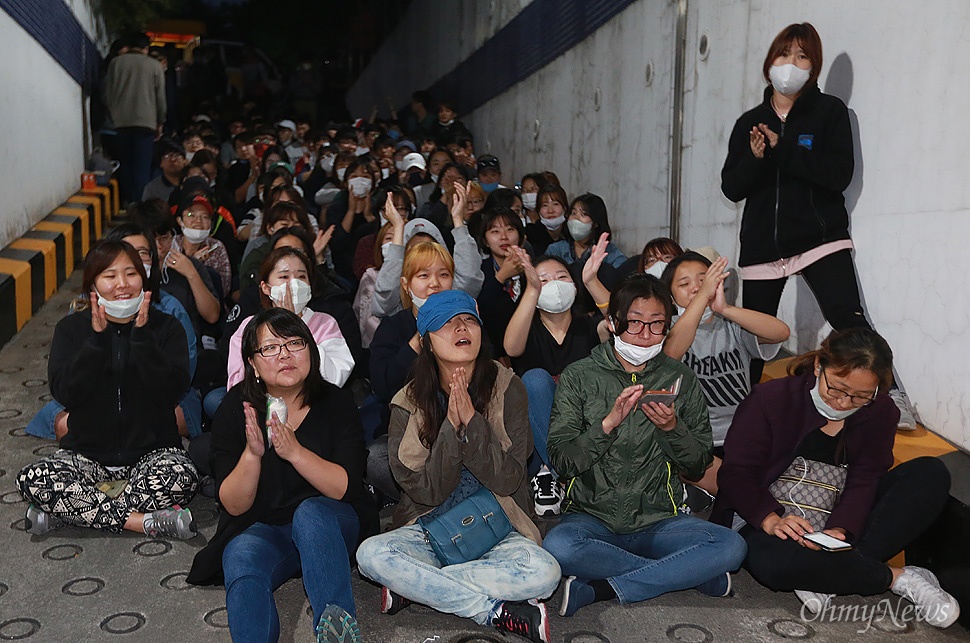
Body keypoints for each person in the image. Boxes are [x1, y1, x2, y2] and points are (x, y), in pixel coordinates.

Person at [719, 22, 919, 429]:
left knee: (850, 318)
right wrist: (756, 157)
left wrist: (784, 148)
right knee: (755, 337)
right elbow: (731, 188)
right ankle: (740, 412)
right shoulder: (749, 122)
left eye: (802, 56)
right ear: (769, 63)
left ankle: (890, 397)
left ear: (814, 68)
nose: (790, 64)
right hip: (763, 246)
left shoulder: (830, 113)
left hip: (820, 239)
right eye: (784, 54)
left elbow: (837, 175)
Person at [711, 328, 959, 628]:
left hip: (837, 511)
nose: (843, 403)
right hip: (769, 514)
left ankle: (829, 572)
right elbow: (737, 473)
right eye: (837, 389)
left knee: (929, 474)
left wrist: (841, 529)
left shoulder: (881, 412)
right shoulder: (771, 398)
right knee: (772, 566)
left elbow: (866, 478)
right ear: (819, 367)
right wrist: (771, 519)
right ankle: (897, 579)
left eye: (861, 396)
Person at [356, 291, 561, 643]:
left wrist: (473, 424)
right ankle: (494, 611)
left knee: (545, 573)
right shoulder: (407, 402)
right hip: (430, 525)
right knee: (370, 555)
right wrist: (452, 431)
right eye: (447, 323)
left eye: (467, 320)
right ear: (428, 343)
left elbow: (511, 477)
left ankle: (419, 585)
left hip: (500, 524)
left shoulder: (508, 387)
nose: (460, 328)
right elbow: (425, 491)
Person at [542, 273, 747, 616]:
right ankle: (687, 574)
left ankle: (605, 587)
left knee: (731, 545)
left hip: (659, 520)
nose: (645, 336)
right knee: (559, 547)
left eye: (657, 325)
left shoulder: (680, 378)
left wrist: (672, 428)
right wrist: (607, 425)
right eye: (634, 324)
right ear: (613, 322)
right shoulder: (580, 376)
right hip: (591, 518)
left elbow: (698, 465)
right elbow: (562, 461)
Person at [186, 308, 369, 641]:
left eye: (295, 343)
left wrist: (295, 453)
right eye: (270, 347)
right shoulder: (235, 409)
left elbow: (344, 487)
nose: (285, 354)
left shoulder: (336, 403)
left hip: (330, 524)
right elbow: (234, 505)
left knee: (310, 513)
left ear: (311, 351)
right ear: (253, 364)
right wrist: (252, 456)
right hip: (268, 529)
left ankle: (337, 633)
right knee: (240, 554)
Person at [16, 240, 199, 539]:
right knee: (33, 478)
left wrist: (141, 341)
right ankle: (143, 522)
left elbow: (171, 393)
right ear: (93, 286)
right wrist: (96, 344)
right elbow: (65, 393)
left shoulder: (166, 328)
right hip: (87, 457)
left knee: (182, 477)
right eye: (110, 276)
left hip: (153, 456)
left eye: (131, 273)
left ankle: (72, 511)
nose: (122, 284)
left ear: (144, 279)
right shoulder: (71, 330)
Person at [661, 251, 790, 495]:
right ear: (670, 294)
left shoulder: (732, 325)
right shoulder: (665, 328)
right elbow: (671, 354)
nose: (697, 287)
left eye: (704, 279)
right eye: (684, 284)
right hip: (694, 443)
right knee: (740, 489)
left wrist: (725, 308)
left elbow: (780, 332)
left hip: (742, 437)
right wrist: (702, 298)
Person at [503, 240, 613, 517]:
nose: (554, 283)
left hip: (585, 432)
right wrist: (532, 290)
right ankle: (565, 474)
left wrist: (591, 281)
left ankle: (557, 476)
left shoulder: (589, 327)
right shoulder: (527, 327)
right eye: (544, 279)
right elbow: (511, 348)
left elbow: (622, 324)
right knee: (536, 380)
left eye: (561, 277)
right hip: (538, 443)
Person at [371, 185, 484, 318]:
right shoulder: (397, 302)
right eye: (424, 275)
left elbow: (470, 277)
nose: (434, 283)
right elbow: (385, 296)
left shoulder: (453, 294)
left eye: (443, 274)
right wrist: (398, 227)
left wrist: (458, 220)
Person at [104, 32, 167, 204]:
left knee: (125, 164)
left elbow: (108, 94)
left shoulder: (116, 63)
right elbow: (160, 97)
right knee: (141, 166)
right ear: (146, 48)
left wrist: (114, 114)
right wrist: (160, 122)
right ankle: (140, 204)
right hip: (146, 122)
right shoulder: (155, 66)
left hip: (121, 122)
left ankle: (126, 201)